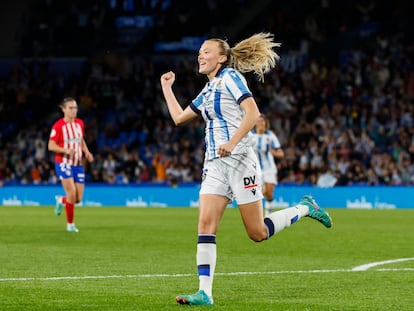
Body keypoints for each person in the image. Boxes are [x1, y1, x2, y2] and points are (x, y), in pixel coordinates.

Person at [160, 32, 332, 306]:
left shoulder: (231, 78)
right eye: (200, 51)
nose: (200, 55)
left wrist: (233, 140)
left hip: (240, 160)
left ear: (222, 58)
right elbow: (179, 117)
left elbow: (253, 113)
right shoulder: (208, 89)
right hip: (215, 165)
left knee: (257, 233)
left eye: (206, 51)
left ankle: (304, 208)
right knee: (205, 224)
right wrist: (167, 87)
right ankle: (205, 292)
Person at [48, 97, 94, 232]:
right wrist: (66, 150)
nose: (74, 111)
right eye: (71, 108)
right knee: (72, 194)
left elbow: (80, 139)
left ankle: (61, 200)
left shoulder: (80, 123)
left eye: (75, 108)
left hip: (78, 164)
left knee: (78, 199)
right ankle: (70, 224)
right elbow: (51, 145)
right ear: (63, 109)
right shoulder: (58, 126)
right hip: (63, 163)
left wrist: (87, 151)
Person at [252, 114, 285, 216]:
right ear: (255, 123)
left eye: (262, 121)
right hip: (255, 169)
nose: (260, 123)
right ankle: (261, 215)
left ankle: (268, 214)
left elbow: (281, 153)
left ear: (266, 123)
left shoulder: (270, 136)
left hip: (269, 168)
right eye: (258, 121)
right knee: (260, 192)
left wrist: (273, 152)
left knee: (269, 193)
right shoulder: (250, 135)